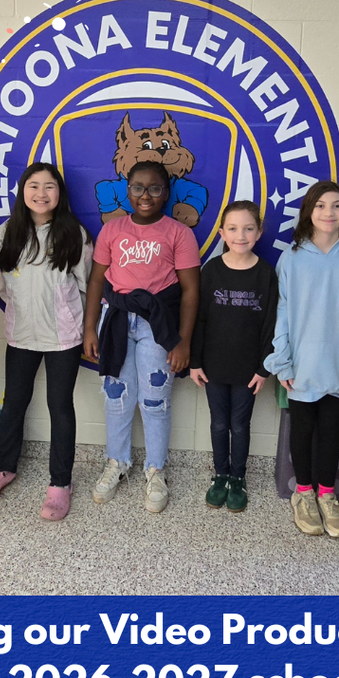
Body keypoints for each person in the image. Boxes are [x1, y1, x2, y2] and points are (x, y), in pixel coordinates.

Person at [0, 164, 93, 520]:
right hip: (22, 334)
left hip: (63, 337)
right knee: (14, 401)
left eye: (49, 186)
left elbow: (87, 285)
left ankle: (60, 483)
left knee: (60, 406)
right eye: (34, 186)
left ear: (60, 193)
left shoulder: (74, 234)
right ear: (22, 191)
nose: (41, 193)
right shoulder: (5, 234)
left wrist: (77, 322)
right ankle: (1, 468)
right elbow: (0, 284)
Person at [83, 160, 201, 513]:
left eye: (154, 188)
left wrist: (182, 341)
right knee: (116, 396)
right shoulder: (112, 230)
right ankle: (116, 462)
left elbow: (191, 291)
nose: (145, 195)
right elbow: (97, 280)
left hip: (158, 326)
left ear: (166, 193)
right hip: (117, 320)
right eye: (137, 187)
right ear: (127, 190)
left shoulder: (179, 233)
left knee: (155, 399)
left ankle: (156, 469)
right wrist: (90, 327)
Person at [265, 181, 339, 539]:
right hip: (301, 366)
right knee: (302, 430)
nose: (329, 213)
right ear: (308, 212)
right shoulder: (292, 258)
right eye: (321, 206)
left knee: (331, 430)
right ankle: (303, 494)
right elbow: (281, 314)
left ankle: (327, 496)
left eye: (337, 205)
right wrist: (282, 361)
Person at [189, 201, 277, 513]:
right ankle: (220, 475)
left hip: (248, 369)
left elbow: (270, 325)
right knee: (218, 423)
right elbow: (199, 319)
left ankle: (238, 478)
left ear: (259, 233)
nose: (241, 235)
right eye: (234, 228)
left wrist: (263, 368)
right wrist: (195, 362)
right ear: (222, 233)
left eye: (248, 228)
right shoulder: (211, 270)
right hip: (213, 366)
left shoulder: (266, 274)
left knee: (239, 425)